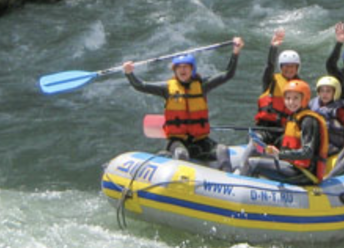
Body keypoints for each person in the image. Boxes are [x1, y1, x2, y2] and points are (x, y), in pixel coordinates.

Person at [123, 36, 244, 170]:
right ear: (175, 71)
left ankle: (227, 176)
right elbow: (140, 86)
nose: (182, 70)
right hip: (177, 141)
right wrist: (129, 73)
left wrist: (236, 52)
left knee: (222, 150)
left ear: (192, 69)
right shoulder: (167, 88)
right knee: (181, 154)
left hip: (200, 140)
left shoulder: (202, 85)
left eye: (186, 67)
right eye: (179, 67)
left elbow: (228, 74)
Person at [235, 79, 329, 184]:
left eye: (295, 98)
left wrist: (280, 154)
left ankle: (239, 185)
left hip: (303, 172)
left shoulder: (308, 121)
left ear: (305, 98)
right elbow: (285, 142)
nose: (291, 102)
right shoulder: (294, 117)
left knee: (252, 163)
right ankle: (240, 175)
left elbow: (307, 152)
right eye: (288, 98)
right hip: (290, 163)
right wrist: (267, 147)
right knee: (256, 149)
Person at [255, 28, 301, 128]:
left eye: (292, 66)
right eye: (286, 66)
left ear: (297, 68)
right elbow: (270, 65)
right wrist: (273, 47)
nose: (289, 69)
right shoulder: (271, 80)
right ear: (280, 67)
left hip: (286, 129)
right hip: (266, 127)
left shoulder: (300, 85)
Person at [309, 75, 344, 155]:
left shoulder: (339, 110)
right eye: (322, 91)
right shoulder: (311, 105)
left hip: (335, 146)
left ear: (335, 93)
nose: (324, 94)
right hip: (317, 142)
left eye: (328, 91)